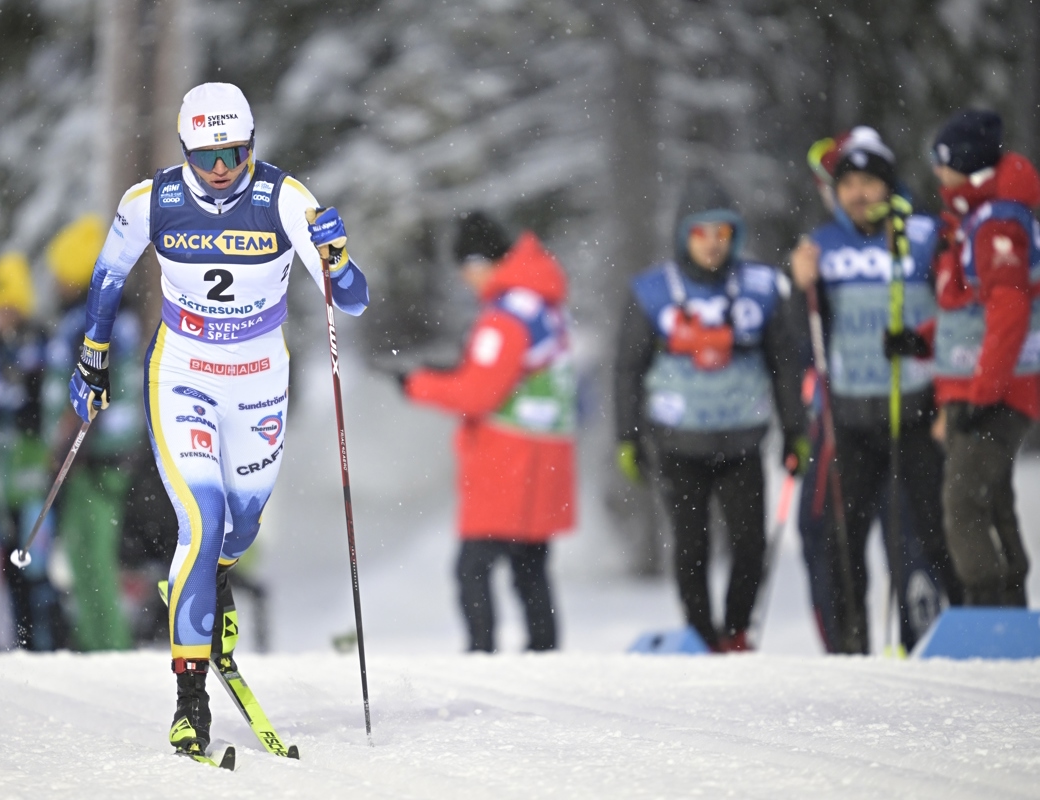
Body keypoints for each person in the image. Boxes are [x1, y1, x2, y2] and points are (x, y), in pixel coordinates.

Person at [66, 82, 369, 758]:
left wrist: (338, 257)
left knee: (242, 524)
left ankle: (212, 583)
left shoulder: (285, 199)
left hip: (260, 382)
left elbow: (352, 300)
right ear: (185, 152)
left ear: (252, 143)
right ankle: (189, 702)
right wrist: (92, 353)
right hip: (184, 374)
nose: (223, 168)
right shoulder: (154, 201)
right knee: (199, 522)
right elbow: (108, 276)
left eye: (235, 151)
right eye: (207, 156)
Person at [615, 171, 804, 653]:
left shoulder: (762, 287)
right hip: (679, 443)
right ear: (684, 235)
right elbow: (628, 369)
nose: (713, 244)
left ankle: (736, 631)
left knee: (750, 546)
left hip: (742, 440)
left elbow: (785, 363)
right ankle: (701, 634)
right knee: (691, 547)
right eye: (702, 233)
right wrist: (627, 437)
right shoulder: (652, 292)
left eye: (723, 233)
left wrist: (795, 430)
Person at [791, 127, 956, 654]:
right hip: (847, 423)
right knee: (828, 536)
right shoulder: (821, 247)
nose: (859, 194)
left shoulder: (928, 235)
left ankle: (922, 643)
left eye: (869, 182)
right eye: (848, 184)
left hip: (915, 415)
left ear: (888, 185)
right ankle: (848, 647)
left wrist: (950, 397)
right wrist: (801, 287)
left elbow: (961, 316)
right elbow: (799, 338)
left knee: (919, 541)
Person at [401, 211, 575, 653]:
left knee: (472, 567)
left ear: (481, 263)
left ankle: (481, 655)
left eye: (467, 269)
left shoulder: (504, 317)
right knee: (530, 566)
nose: (466, 281)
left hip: (508, 461)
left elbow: (478, 394)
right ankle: (544, 652)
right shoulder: (542, 303)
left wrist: (417, 384)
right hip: (546, 456)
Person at [889, 111, 1039, 605]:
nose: (937, 173)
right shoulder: (978, 218)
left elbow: (1010, 310)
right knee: (991, 500)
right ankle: (1010, 608)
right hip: (981, 384)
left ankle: (987, 606)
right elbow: (971, 314)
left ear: (965, 165)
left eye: (943, 162)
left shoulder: (997, 225)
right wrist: (923, 340)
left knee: (962, 502)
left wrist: (985, 391)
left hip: (997, 389)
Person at [42, 215, 142, 652]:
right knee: (88, 555)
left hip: (93, 454)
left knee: (91, 557)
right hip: (111, 450)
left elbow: (93, 383)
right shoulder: (119, 311)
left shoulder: (89, 318)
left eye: (62, 272)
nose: (57, 283)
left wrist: (64, 444)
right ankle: (97, 641)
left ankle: (107, 647)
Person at [0, 252, 64, 650]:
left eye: (6, 306)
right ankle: (21, 645)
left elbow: (41, 410)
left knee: (36, 570)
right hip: (3, 484)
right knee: (8, 570)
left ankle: (46, 647)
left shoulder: (40, 344)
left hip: (34, 483)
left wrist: (22, 393)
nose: (0, 315)